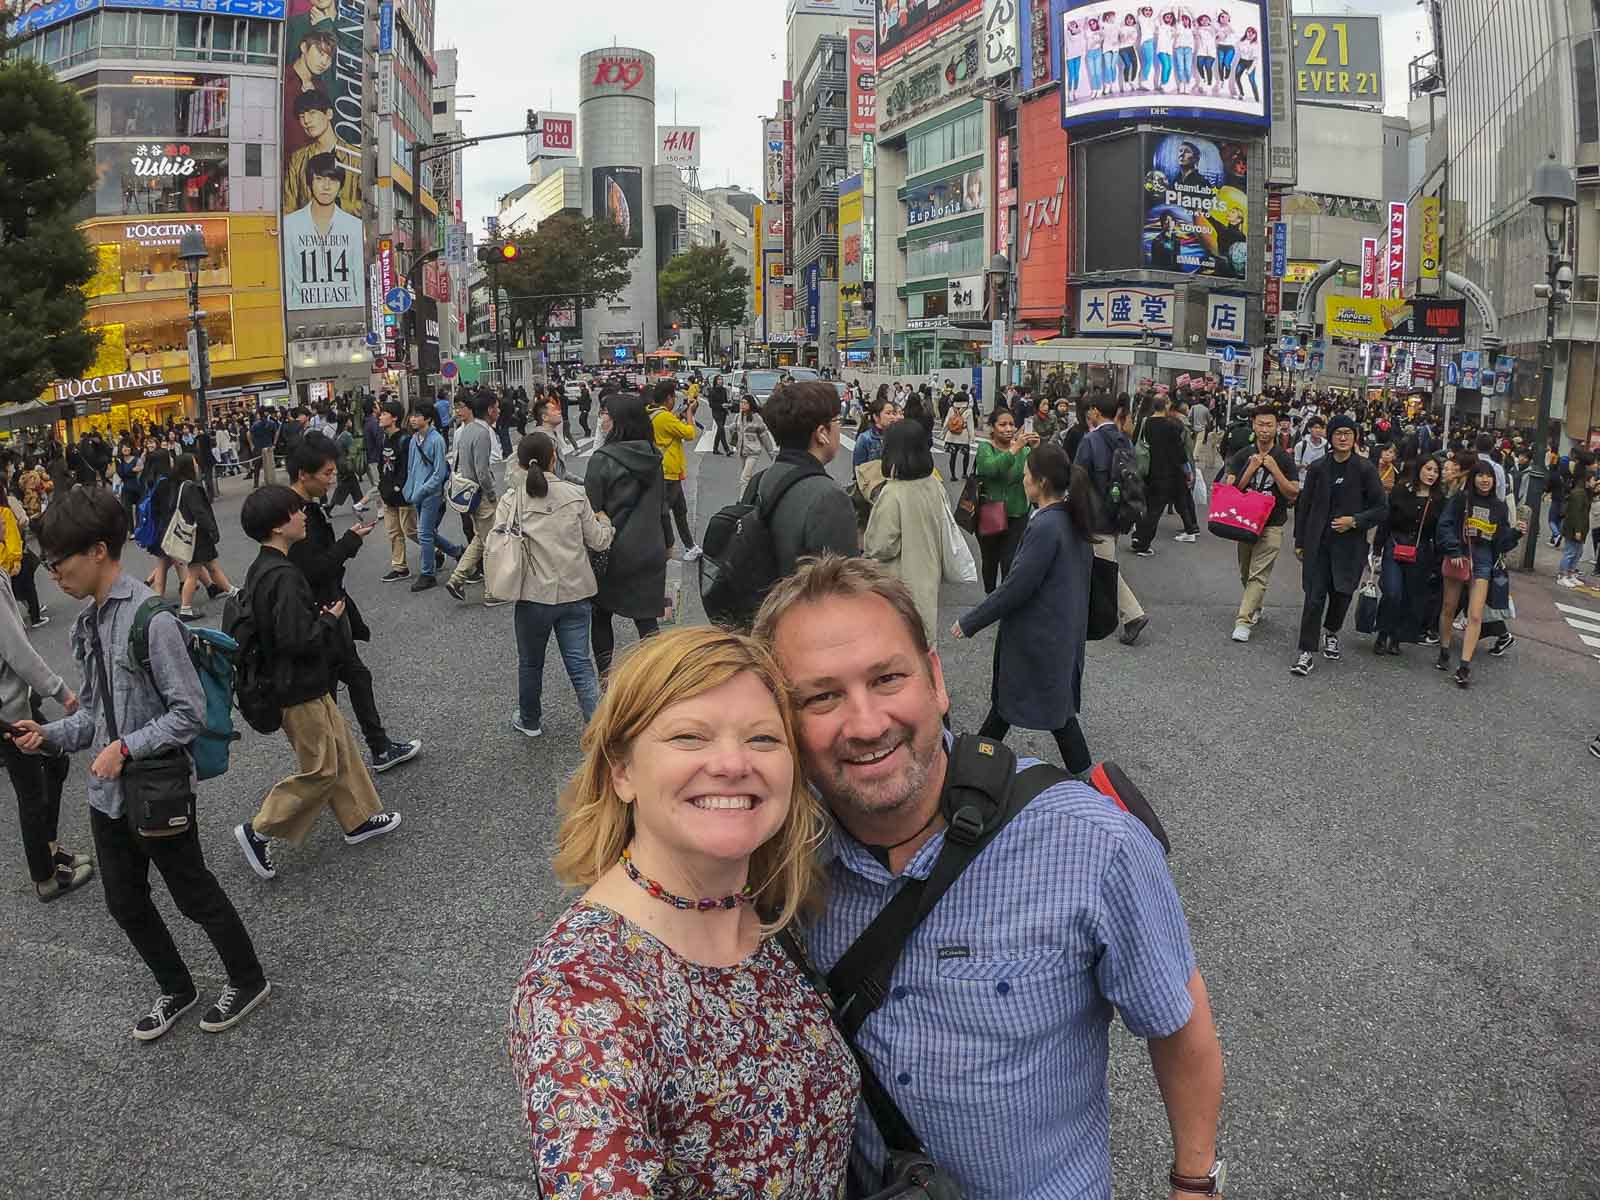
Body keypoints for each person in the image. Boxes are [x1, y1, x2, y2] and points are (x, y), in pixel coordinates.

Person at [754, 556, 1224, 1200]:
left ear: (936, 680)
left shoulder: (1092, 842)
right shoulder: (771, 859)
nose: (865, 724)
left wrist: (1195, 1183)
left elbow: (1177, 1018)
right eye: (821, 697)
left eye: (887, 678)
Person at [506, 625, 856, 1196]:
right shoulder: (581, 993)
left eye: (763, 738)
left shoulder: (772, 907)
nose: (732, 763)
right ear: (622, 771)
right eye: (690, 737)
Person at [18, 486, 269, 1039]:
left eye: (58, 562)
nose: (54, 576)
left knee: (193, 893)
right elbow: (94, 718)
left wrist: (125, 747)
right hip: (107, 794)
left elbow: (190, 713)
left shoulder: (152, 620)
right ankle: (176, 987)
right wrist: (47, 735)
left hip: (156, 787)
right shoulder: (87, 624)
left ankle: (248, 979)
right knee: (125, 902)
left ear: (98, 550)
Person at [232, 485, 402, 882]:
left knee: (340, 745)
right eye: (296, 512)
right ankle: (259, 829)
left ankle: (359, 819)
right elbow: (296, 639)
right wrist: (328, 619)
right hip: (297, 686)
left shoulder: (263, 568)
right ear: (278, 526)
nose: (303, 516)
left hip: (296, 682)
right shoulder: (284, 576)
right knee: (322, 768)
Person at [953, 443, 1099, 773]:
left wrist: (970, 622)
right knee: (1049, 710)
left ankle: (971, 768)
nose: (1023, 480)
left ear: (1041, 482)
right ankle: (1086, 776)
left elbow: (1017, 586)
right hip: (1061, 629)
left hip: (1038, 635)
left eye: (1026, 475)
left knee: (1019, 704)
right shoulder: (1070, 517)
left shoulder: (1046, 525)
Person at [284, 435, 421, 774]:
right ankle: (330, 767)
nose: (332, 479)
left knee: (355, 677)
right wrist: (348, 542)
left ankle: (374, 748)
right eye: (327, 473)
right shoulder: (295, 514)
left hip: (331, 605)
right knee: (327, 692)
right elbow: (313, 568)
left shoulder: (307, 507)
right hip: (320, 613)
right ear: (303, 474)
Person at [496, 433, 612, 738]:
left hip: (533, 595)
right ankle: (598, 726)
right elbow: (598, 541)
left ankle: (530, 720)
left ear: (520, 464)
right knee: (580, 664)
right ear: (554, 458)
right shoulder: (575, 494)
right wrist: (606, 523)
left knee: (530, 663)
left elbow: (497, 540)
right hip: (576, 591)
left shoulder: (512, 500)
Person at [1, 559, 88, 902]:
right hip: (8, 708)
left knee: (55, 759)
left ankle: (48, 848)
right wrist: (60, 690)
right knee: (32, 790)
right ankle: (45, 876)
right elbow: (16, 649)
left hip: (12, 700)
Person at [1289, 415, 1388, 677]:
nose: (1343, 438)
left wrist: (1355, 521)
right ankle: (1306, 651)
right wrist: (1300, 540)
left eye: (1348, 433)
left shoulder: (1365, 469)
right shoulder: (1318, 468)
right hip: (1318, 544)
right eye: (1338, 433)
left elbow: (1381, 508)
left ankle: (1331, 631)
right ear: (1330, 437)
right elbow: (1304, 507)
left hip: (1350, 546)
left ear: (1355, 437)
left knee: (1342, 595)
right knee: (1314, 597)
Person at [583, 393, 667, 680]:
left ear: (620, 421)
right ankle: (657, 682)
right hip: (650, 546)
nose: (601, 419)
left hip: (613, 550)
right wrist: (668, 541)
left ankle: (606, 680)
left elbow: (591, 511)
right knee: (647, 620)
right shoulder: (653, 456)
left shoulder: (602, 459)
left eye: (605, 414)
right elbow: (663, 506)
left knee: (601, 614)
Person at [745, 381, 858, 578]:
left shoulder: (760, 480)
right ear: (822, 433)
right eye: (837, 420)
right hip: (804, 597)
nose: (839, 428)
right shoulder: (829, 497)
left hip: (766, 595)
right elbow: (842, 584)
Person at [863, 420, 960, 646]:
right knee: (924, 642)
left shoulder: (893, 493)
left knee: (900, 643)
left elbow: (881, 547)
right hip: (929, 575)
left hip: (899, 583)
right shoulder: (935, 485)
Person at [1434, 459, 1523, 686]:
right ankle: (1444, 650)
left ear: (1494, 480)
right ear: (1473, 478)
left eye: (1489, 476)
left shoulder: (1499, 507)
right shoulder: (1461, 499)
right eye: (1480, 475)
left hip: (1484, 561)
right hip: (1459, 556)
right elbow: (1444, 525)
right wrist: (1453, 549)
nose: (1485, 480)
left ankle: (1464, 666)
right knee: (1448, 607)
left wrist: (1515, 533)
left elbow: (1500, 542)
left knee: (1475, 615)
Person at [1076, 392, 1149, 645]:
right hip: (1119, 512)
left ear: (1095, 412)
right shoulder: (1123, 439)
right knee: (1100, 564)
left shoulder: (1090, 440)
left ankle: (1133, 615)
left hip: (1095, 516)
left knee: (1105, 568)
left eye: (1090, 410)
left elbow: (1078, 479)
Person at [1224, 405, 1299, 642]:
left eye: (1269, 425)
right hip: (1245, 522)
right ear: (1253, 425)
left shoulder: (1284, 458)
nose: (1265, 430)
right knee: (1246, 573)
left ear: (1277, 427)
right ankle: (1255, 605)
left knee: (1258, 575)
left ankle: (1243, 621)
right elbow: (1231, 490)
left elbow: (1293, 493)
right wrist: (1251, 469)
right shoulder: (1243, 454)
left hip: (1272, 524)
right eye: (1260, 424)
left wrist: (1275, 470)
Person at [1373, 455, 1442, 655]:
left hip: (1421, 551)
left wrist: (1438, 559)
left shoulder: (1439, 499)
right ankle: (1382, 633)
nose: (1431, 474)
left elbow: (1439, 531)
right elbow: (1386, 520)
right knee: (1392, 592)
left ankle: (1397, 636)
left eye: (1435, 471)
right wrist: (1377, 548)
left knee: (1409, 595)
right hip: (1395, 545)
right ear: (1419, 468)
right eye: (1428, 469)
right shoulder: (1401, 490)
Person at [444, 393, 504, 605]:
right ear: (489, 410)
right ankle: (492, 592)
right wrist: (492, 495)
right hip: (481, 495)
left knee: (480, 538)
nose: (499, 411)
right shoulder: (482, 432)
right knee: (492, 544)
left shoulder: (466, 430)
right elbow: (482, 471)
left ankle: (457, 578)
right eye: (496, 407)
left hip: (468, 494)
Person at [401, 402, 463, 593]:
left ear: (428, 418)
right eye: (412, 415)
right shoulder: (414, 439)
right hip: (417, 493)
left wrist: (422, 490)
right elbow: (411, 468)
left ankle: (428, 574)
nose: (412, 419)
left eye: (417, 415)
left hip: (432, 494)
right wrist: (409, 489)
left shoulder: (437, 440)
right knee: (427, 533)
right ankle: (456, 551)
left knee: (424, 533)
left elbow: (439, 473)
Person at [973, 409, 1036, 592]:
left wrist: (1036, 449)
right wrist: (1014, 449)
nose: (1008, 429)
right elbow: (990, 469)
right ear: (992, 428)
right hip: (991, 512)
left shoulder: (1024, 450)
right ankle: (990, 595)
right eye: (1002, 424)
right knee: (990, 559)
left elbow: (1036, 474)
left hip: (1017, 512)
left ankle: (1006, 599)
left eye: (1011, 424)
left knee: (1011, 561)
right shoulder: (985, 448)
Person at [170, 454, 233, 620]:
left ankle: (232, 591)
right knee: (193, 573)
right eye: (194, 463)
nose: (197, 465)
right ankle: (185, 608)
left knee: (212, 566)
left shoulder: (181, 486)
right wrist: (212, 529)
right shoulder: (191, 487)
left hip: (195, 535)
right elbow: (200, 512)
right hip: (197, 536)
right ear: (189, 467)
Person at [1132, 395, 1197, 552]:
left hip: (1147, 470)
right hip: (1167, 473)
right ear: (1166, 405)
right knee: (1155, 511)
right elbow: (1179, 452)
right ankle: (1143, 544)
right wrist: (1188, 471)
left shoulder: (1145, 422)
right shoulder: (1171, 426)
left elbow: (1136, 443)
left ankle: (1138, 536)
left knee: (1146, 506)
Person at [647, 380, 702, 560]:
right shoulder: (664, 417)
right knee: (663, 513)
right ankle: (660, 548)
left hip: (669, 471)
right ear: (669, 398)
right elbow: (690, 433)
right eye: (673, 397)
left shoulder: (653, 413)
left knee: (680, 511)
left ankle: (690, 546)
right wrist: (689, 413)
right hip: (668, 471)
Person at [374, 400, 417, 583]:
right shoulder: (385, 438)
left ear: (394, 418)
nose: (380, 416)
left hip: (403, 495)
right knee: (393, 532)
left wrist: (397, 487)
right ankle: (400, 567)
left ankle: (436, 548)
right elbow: (382, 464)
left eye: (384, 414)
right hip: (388, 494)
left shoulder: (405, 440)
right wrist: (383, 486)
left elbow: (407, 469)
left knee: (411, 531)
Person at [1557, 457, 1593, 587]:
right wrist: (1578, 530)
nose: (1594, 482)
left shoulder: (1584, 492)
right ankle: (1562, 575)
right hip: (1573, 529)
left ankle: (1570, 574)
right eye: (1593, 480)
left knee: (1577, 552)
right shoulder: (1579, 494)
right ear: (1587, 481)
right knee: (1570, 552)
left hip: (1580, 528)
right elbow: (1576, 514)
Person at [733, 392, 776, 487]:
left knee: (744, 478)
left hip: (753, 452)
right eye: (741, 402)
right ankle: (752, 491)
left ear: (750, 405)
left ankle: (743, 496)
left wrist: (771, 453)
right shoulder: (738, 416)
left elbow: (764, 436)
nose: (742, 405)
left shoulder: (756, 418)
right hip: (742, 451)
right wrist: (733, 428)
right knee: (746, 476)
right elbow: (734, 430)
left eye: (745, 403)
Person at [942, 388, 975, 480]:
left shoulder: (951, 409)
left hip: (951, 436)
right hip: (963, 436)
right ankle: (964, 473)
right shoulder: (968, 410)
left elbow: (946, 422)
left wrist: (943, 433)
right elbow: (970, 426)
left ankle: (953, 476)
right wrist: (972, 438)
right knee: (966, 455)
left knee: (953, 456)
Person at [708, 373, 732, 456]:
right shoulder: (712, 391)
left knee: (719, 431)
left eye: (721, 379)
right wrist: (721, 405)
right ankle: (727, 449)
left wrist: (728, 405)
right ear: (715, 381)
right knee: (721, 428)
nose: (720, 381)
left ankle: (715, 449)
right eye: (719, 379)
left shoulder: (724, 390)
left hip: (723, 412)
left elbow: (725, 400)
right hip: (716, 413)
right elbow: (711, 404)